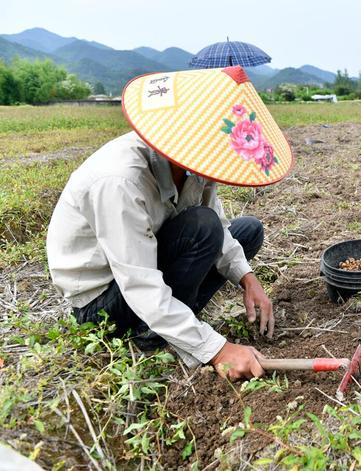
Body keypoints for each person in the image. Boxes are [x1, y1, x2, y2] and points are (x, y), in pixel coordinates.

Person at [46, 66, 294, 381]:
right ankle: (152, 335)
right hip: (104, 299)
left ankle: (178, 320)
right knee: (203, 228)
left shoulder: (196, 163)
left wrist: (248, 279)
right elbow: (138, 283)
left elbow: (217, 219)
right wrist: (216, 349)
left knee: (247, 232)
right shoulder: (119, 181)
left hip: (147, 261)